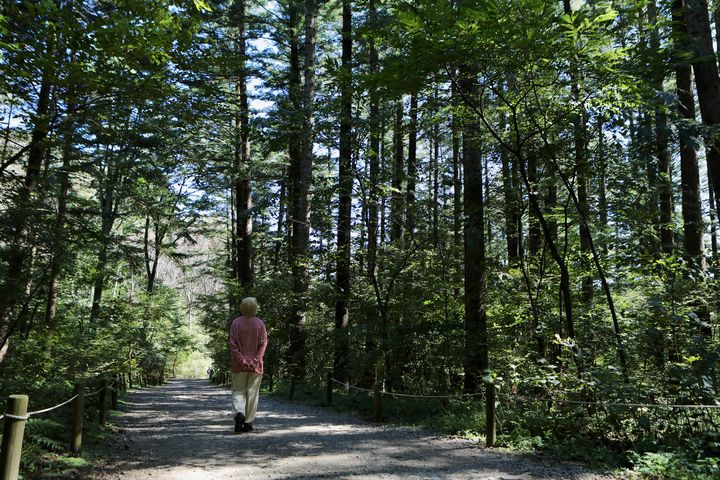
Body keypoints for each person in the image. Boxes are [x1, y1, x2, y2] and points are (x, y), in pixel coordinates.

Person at [229, 297, 267, 433]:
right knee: (252, 393)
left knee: (238, 391)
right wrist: (255, 361)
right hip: (256, 367)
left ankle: (239, 413)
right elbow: (263, 344)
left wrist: (242, 361)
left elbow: (233, 345)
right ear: (255, 308)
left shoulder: (235, 323)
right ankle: (249, 423)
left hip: (238, 366)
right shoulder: (260, 324)